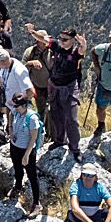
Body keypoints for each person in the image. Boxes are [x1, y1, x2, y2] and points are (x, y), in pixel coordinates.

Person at [39, 28, 86, 159]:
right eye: (60, 38)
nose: (61, 42)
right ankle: (60, 140)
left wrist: (83, 43)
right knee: (56, 115)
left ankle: (75, 148)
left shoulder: (75, 52)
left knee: (71, 118)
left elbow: (83, 50)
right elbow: (43, 39)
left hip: (69, 88)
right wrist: (32, 32)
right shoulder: (56, 46)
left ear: (72, 40)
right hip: (54, 86)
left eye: (65, 40)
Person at [7, 93, 43, 211]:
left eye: (17, 106)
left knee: (32, 175)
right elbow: (10, 114)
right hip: (15, 146)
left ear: (23, 105)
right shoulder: (16, 112)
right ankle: (18, 186)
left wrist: (27, 155)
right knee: (17, 169)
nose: (15, 108)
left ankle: (37, 202)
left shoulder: (32, 118)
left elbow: (33, 137)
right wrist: (10, 129)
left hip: (26, 149)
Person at [0, 45, 33, 120]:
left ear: (3, 61)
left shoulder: (18, 70)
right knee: (10, 128)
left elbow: (30, 90)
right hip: (10, 106)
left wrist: (21, 105)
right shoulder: (6, 66)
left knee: (19, 130)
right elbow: (0, 78)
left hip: (20, 109)